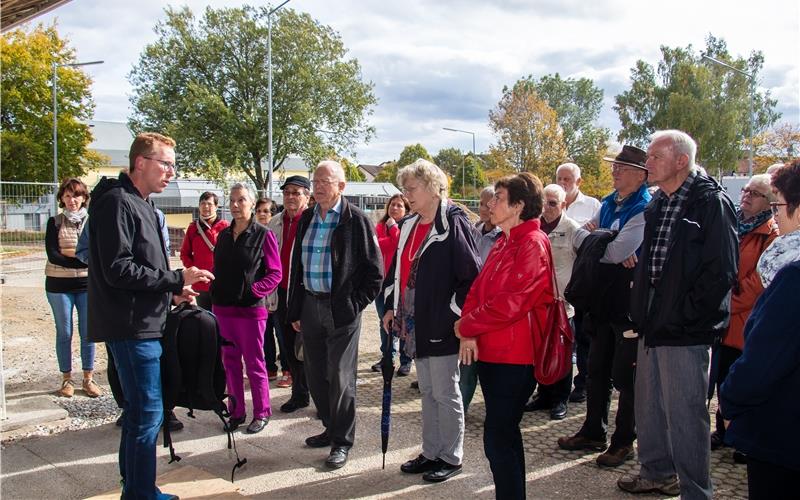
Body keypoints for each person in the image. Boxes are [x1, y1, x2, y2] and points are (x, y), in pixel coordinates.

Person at [87, 132, 213, 500]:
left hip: (143, 320)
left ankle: (136, 487)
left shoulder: (138, 202)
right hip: (131, 326)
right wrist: (177, 277)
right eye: (166, 163)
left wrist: (173, 291)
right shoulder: (117, 203)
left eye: (174, 164)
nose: (171, 172)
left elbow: (139, 268)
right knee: (146, 415)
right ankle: (141, 494)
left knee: (140, 415)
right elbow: (119, 269)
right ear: (140, 162)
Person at [620, 130, 738, 498]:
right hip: (653, 321)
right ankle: (656, 472)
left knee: (686, 415)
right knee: (649, 406)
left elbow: (721, 272)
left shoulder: (710, 203)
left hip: (686, 328)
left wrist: (686, 316)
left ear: (681, 161)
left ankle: (695, 491)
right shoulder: (658, 203)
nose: (647, 163)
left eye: (655, 157)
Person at [455, 172, 553, 499]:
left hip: (515, 358)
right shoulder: (505, 240)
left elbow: (512, 302)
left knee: (497, 439)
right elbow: (477, 291)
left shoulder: (532, 243)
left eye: (498, 198)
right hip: (492, 353)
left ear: (518, 206)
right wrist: (468, 331)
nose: (490, 204)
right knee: (505, 438)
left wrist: (467, 326)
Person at [383, 159, 480, 483]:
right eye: (405, 189)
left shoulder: (453, 222)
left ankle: (451, 457)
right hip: (414, 321)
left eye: (411, 188)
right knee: (427, 390)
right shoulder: (411, 223)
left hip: (441, 323)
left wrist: (452, 313)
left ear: (431, 187)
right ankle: (431, 451)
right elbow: (399, 269)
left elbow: (471, 277)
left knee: (445, 392)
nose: (406, 195)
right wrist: (390, 306)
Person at [557, 145, 651, 468]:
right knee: (596, 369)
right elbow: (579, 238)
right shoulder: (611, 201)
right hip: (604, 300)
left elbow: (616, 249)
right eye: (615, 166)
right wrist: (607, 239)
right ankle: (593, 430)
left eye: (621, 167)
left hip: (627, 305)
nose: (614, 171)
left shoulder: (644, 207)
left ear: (641, 175)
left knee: (625, 376)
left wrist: (602, 239)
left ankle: (624, 440)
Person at [287, 161, 383, 469]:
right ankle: (330, 426)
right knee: (315, 375)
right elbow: (297, 268)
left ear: (341, 186)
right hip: (310, 306)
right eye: (315, 180)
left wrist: (354, 304)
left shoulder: (356, 220)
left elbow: (375, 273)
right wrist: (296, 307)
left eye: (324, 181)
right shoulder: (306, 218)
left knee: (341, 378)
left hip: (341, 310)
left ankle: (342, 441)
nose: (317, 186)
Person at [720, 161, 800, 499]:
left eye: (779, 203)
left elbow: (764, 362)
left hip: (783, 433)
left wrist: (730, 401)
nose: (776, 213)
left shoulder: (793, 276)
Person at [711, 174, 778, 455]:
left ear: (769, 202)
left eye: (756, 193)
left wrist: (728, 302)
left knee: (745, 377)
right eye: (746, 190)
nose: (747, 196)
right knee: (723, 377)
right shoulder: (733, 223)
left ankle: (744, 437)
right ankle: (723, 430)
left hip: (746, 320)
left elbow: (759, 281)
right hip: (725, 319)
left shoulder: (771, 234)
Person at [210, 184, 281, 434]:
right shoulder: (224, 235)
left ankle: (261, 413)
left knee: (255, 363)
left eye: (241, 200)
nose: (235, 205)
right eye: (232, 200)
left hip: (250, 312)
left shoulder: (264, 234)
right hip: (223, 310)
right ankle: (237, 411)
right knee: (229, 362)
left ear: (251, 203)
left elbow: (275, 274)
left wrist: (253, 291)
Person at [524, 183, 580, 420]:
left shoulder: (573, 229)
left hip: (562, 305)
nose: (547, 208)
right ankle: (544, 395)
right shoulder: (536, 227)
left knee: (561, 352)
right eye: (544, 202)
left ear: (564, 205)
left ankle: (560, 399)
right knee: (541, 351)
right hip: (538, 304)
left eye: (553, 203)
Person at [45, 178, 100, 398]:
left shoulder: (93, 222)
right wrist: (82, 260)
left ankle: (88, 378)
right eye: (67, 196)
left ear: (84, 198)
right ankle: (66, 379)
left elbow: (98, 252)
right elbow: (53, 254)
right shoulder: (55, 222)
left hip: (87, 285)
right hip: (59, 285)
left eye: (76, 195)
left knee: (88, 333)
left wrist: (79, 259)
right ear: (61, 199)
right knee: (65, 332)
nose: (72, 200)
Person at [556, 161, 601, 404]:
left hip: (582, 283)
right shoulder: (549, 202)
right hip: (558, 288)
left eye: (568, 180)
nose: (563, 183)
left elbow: (598, 239)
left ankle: (582, 383)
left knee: (583, 337)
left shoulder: (593, 206)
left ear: (578, 182)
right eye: (560, 178)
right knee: (559, 339)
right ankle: (550, 386)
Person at [266, 175, 312, 410]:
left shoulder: (313, 221)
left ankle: (319, 397)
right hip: (280, 294)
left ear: (307, 196)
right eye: (287, 192)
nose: (291, 196)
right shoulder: (274, 222)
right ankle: (299, 394)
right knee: (288, 348)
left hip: (306, 295)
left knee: (308, 348)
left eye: (296, 192)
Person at [459, 186, 502, 414]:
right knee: (467, 364)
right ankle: (460, 409)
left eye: (488, 203)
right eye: (481, 203)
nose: (484, 208)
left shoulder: (504, 237)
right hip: (471, 306)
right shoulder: (473, 230)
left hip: (492, 310)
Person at [371, 194, 412, 376]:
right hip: (382, 284)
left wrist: (394, 229)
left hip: (401, 284)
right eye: (392, 205)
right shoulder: (380, 226)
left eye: (399, 206)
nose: (394, 208)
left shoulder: (408, 227)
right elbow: (375, 247)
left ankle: (406, 360)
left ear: (406, 210)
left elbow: (399, 245)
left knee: (403, 322)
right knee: (384, 323)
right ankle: (387, 357)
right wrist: (391, 237)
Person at [180, 192, 229, 311]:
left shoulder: (226, 227)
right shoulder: (193, 228)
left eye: (210, 204)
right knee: (205, 318)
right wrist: (195, 271)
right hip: (201, 283)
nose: (206, 207)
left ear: (216, 207)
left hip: (222, 282)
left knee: (222, 317)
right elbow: (184, 254)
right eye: (203, 203)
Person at [255, 197, 283, 380]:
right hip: (260, 291)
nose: (262, 214)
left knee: (281, 332)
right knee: (265, 333)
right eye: (259, 211)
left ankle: (287, 369)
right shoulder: (253, 233)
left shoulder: (276, 233)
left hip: (278, 290)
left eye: (266, 211)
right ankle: (270, 367)